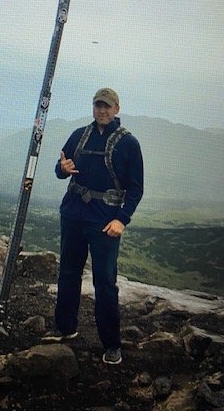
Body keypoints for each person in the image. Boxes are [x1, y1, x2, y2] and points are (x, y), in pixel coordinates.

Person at [42, 88, 144, 365]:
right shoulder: (79, 135)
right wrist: (62, 169)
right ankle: (65, 327)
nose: (102, 110)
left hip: (104, 221)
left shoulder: (129, 144)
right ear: (94, 107)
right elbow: (60, 170)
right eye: (98, 105)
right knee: (68, 272)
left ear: (117, 109)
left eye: (107, 106)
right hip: (74, 213)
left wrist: (121, 219)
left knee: (105, 282)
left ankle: (112, 344)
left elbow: (136, 189)